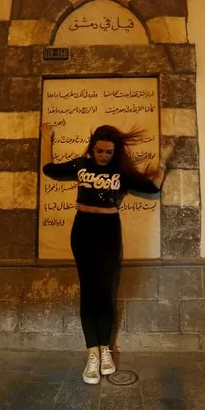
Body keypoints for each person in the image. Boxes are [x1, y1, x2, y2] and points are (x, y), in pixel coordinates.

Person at [41, 123, 174, 385]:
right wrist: (46, 138)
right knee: (88, 291)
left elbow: (152, 187)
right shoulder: (81, 165)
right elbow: (50, 170)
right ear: (93, 148)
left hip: (109, 232)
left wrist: (165, 162)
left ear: (115, 151)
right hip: (83, 230)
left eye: (108, 152)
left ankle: (106, 352)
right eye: (100, 151)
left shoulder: (121, 172)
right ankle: (92, 353)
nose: (104, 156)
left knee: (104, 291)